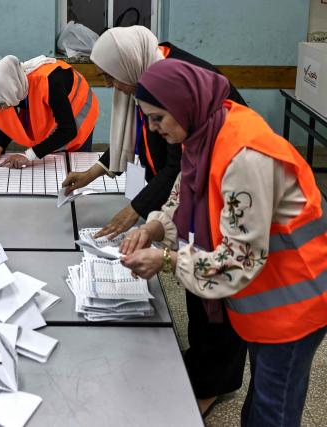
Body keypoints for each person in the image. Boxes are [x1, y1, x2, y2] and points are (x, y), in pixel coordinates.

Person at [121, 58, 327, 426]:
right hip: (263, 292)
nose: (152, 129)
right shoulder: (202, 129)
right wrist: (155, 227)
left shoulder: (244, 154)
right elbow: (186, 191)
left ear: (183, 104)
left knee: (272, 409)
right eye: (147, 119)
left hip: (293, 301)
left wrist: (167, 260)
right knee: (261, 401)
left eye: (157, 118)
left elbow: (237, 262)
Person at [61, 26, 247, 415]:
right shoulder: (154, 84)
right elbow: (180, 177)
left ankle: (214, 382)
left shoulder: (231, 148)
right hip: (201, 198)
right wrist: (155, 224)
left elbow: (235, 261)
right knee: (200, 294)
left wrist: (149, 228)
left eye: (112, 77)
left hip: (284, 293)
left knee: (220, 303)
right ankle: (202, 363)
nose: (111, 85)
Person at [62, 26, 245, 238]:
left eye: (110, 76)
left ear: (126, 65)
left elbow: (179, 165)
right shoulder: (144, 68)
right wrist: (92, 173)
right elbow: (134, 134)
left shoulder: (174, 85)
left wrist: (136, 210)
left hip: (222, 185)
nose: (108, 84)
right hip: (185, 189)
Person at [0, 55, 98, 168]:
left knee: (75, 167)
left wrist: (28, 156)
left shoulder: (50, 82)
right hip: (58, 118)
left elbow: (68, 130)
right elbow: (10, 120)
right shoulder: (14, 87)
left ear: (7, 94)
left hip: (79, 115)